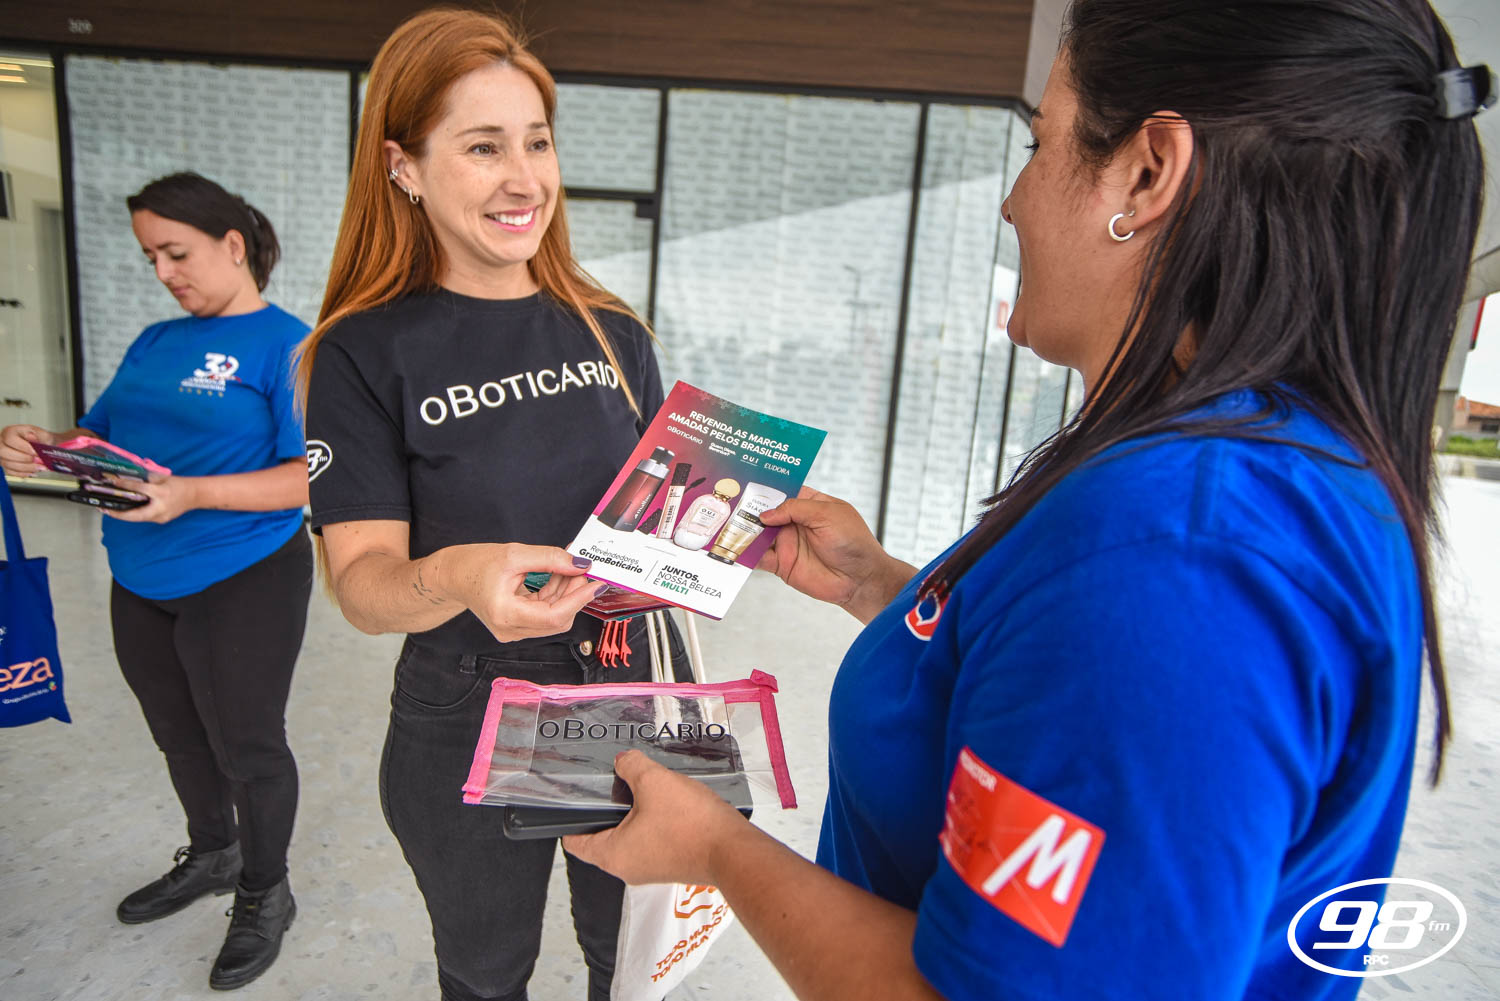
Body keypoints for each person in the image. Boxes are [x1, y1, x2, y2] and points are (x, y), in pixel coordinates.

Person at [562, 2, 1489, 999]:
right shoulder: (1270, 466)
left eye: (1041, 142)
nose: (1011, 202)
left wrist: (715, 847)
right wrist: (883, 587)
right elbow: (1073, 692)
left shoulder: (1176, 557)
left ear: (1148, 173)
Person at [296, 10, 686, 1001]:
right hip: (469, 699)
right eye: (483, 147)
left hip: (621, 682)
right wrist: (462, 572)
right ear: (404, 166)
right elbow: (363, 585)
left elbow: (652, 531)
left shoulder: (613, 333)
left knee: (629, 957)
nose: (525, 179)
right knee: (484, 970)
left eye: (537, 142)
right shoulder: (361, 352)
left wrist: (719, 527)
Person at [0, 172, 312, 990]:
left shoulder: (290, 345)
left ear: (232, 245)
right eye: (151, 258)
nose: (165, 272)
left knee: (248, 745)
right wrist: (43, 444)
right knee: (176, 731)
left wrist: (194, 493)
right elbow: (97, 435)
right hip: (138, 572)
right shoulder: (154, 340)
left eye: (176, 252)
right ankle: (213, 852)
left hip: (244, 573)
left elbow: (308, 476)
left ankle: (265, 890)